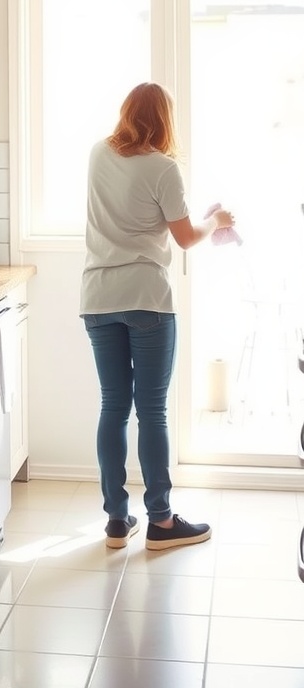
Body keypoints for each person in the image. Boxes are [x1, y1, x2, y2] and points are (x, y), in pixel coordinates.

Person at [80, 82, 235, 551]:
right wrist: (218, 221)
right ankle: (162, 523)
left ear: (126, 113)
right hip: (146, 297)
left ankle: (115, 520)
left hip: (98, 297)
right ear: (165, 121)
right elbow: (187, 237)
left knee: (113, 406)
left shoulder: (97, 153)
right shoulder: (164, 168)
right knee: (150, 410)